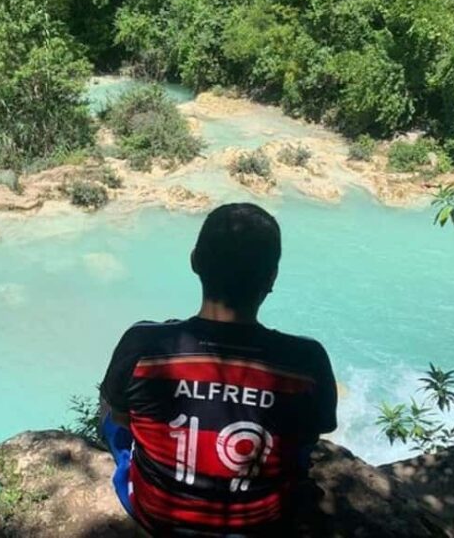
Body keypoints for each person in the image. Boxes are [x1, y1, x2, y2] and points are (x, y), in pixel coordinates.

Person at [99, 202, 338, 536]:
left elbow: (122, 417)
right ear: (271, 277)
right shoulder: (307, 360)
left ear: (195, 261)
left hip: (158, 518)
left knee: (111, 414)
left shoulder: (144, 343)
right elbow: (311, 435)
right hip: (262, 525)